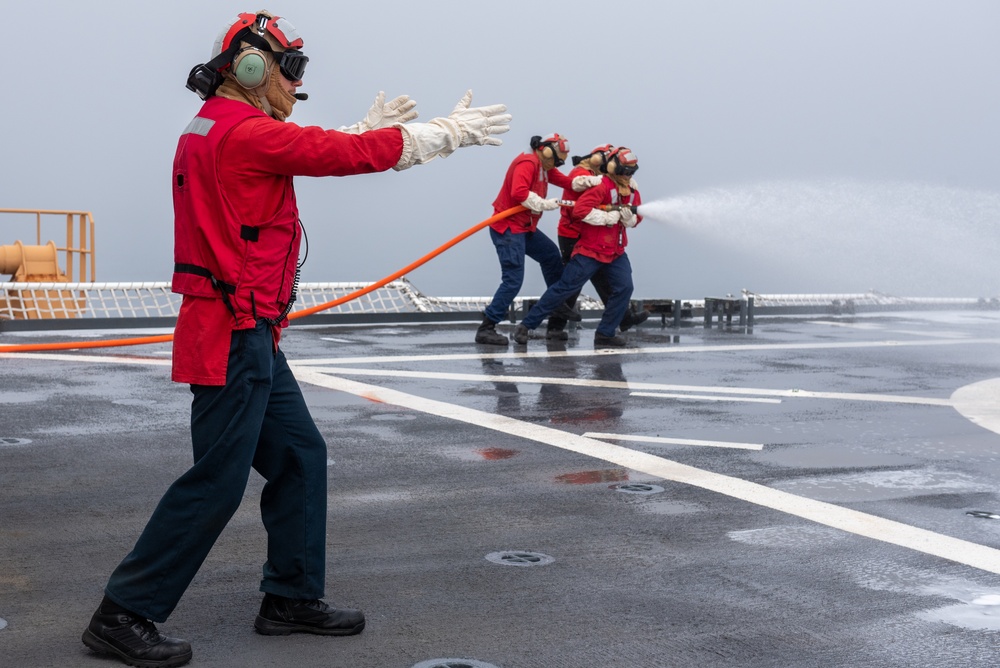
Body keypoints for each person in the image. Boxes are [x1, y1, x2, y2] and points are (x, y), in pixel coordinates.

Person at [81, 10, 511, 668]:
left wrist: (364, 131)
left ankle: (290, 597)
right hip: (232, 332)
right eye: (289, 68)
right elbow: (331, 156)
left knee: (301, 456)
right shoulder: (242, 132)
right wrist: (437, 136)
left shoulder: (217, 128)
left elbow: (296, 147)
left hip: (246, 330)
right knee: (217, 483)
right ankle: (124, 613)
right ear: (251, 68)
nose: (294, 83)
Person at [474, 134, 602, 346]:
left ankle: (557, 302)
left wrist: (590, 181)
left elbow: (568, 182)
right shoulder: (528, 163)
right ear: (546, 150)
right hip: (508, 229)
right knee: (513, 280)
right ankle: (487, 327)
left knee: (551, 256)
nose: (556, 165)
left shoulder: (544, 166)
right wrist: (543, 203)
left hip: (525, 228)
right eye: (555, 160)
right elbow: (520, 193)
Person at [513, 147, 643, 347]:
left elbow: (638, 216)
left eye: (631, 172)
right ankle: (526, 325)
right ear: (612, 168)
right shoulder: (600, 186)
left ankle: (605, 333)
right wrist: (605, 218)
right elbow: (580, 210)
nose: (627, 176)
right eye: (625, 171)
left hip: (615, 252)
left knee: (625, 287)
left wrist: (630, 219)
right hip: (590, 251)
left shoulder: (632, 192)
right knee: (565, 287)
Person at [546, 144, 649, 340]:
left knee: (605, 282)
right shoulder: (582, 173)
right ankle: (555, 327)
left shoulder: (602, 178)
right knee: (572, 282)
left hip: (593, 235)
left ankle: (622, 317)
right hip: (573, 232)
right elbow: (576, 187)